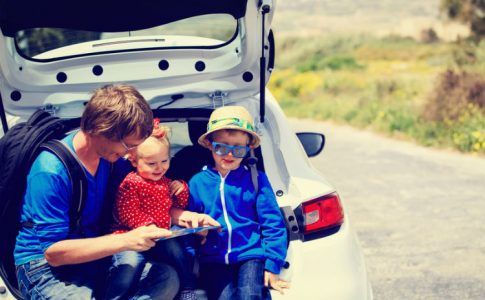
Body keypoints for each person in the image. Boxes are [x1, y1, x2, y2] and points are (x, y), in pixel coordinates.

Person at [13, 84, 217, 299]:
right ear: (101, 130)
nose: (130, 154)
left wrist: (186, 218)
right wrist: (127, 240)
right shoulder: (50, 171)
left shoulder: (112, 160)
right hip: (43, 269)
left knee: (165, 278)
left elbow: (148, 200)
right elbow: (54, 253)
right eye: (128, 145)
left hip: (95, 256)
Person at [188, 106, 290, 300]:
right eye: (222, 147)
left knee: (250, 295)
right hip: (214, 259)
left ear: (248, 148)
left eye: (238, 149)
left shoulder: (256, 179)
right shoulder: (197, 183)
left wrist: (272, 265)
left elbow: (273, 223)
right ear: (210, 144)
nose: (229, 155)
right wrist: (197, 237)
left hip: (251, 254)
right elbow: (188, 225)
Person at [105, 120, 208, 300]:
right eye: (152, 163)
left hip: (160, 236)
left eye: (164, 161)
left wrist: (181, 189)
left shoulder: (165, 182)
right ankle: (114, 295)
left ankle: (187, 287)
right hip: (130, 235)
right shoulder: (130, 183)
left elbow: (179, 205)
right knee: (130, 263)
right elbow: (127, 212)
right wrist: (149, 226)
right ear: (134, 161)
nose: (160, 167)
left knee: (178, 253)